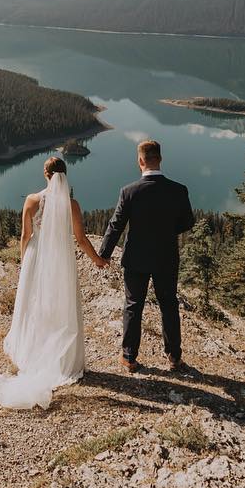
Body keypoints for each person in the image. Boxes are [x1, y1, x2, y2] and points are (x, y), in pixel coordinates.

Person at [0, 155, 107, 409]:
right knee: (61, 304)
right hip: (61, 258)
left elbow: (26, 235)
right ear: (65, 176)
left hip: (36, 257)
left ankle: (32, 351)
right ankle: (63, 359)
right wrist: (97, 259)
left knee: (34, 304)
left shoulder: (31, 200)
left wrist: (23, 262)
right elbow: (81, 239)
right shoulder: (71, 204)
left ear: (46, 174)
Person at [96, 139, 195, 374]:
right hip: (166, 257)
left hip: (136, 259)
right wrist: (167, 233)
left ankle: (129, 358)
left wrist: (104, 255)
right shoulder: (178, 190)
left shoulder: (129, 191)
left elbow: (116, 225)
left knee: (133, 306)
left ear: (140, 161)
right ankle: (174, 358)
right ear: (159, 159)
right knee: (168, 305)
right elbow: (188, 222)